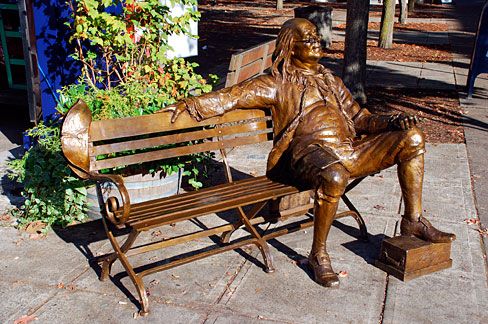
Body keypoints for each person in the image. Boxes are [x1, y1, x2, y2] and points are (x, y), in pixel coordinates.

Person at [166, 18, 456, 287]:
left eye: (317, 37)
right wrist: (190, 106)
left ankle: (413, 221)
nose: (317, 42)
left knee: (413, 137)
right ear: (291, 46)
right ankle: (319, 253)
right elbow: (232, 96)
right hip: (304, 156)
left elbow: (360, 119)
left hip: (347, 150)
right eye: (308, 39)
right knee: (333, 174)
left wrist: (392, 121)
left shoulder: (330, 80)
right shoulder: (276, 82)